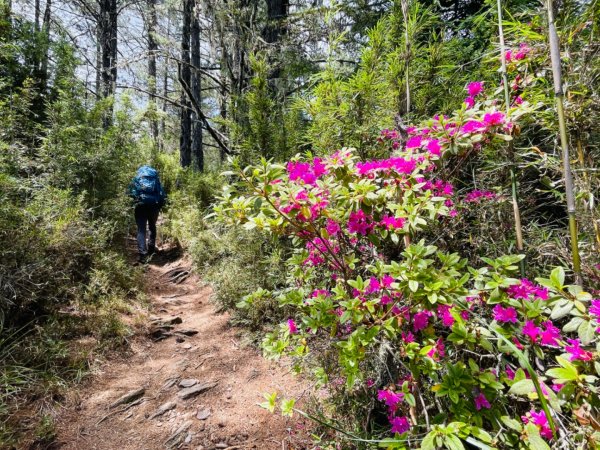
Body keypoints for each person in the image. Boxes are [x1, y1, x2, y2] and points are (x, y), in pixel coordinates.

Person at [128, 165, 167, 263]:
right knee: (152, 226)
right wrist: (161, 204)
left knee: (141, 229)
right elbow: (161, 192)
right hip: (154, 205)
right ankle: (151, 249)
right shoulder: (155, 179)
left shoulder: (137, 178)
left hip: (140, 205)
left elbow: (130, 192)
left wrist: (132, 202)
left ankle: (143, 255)